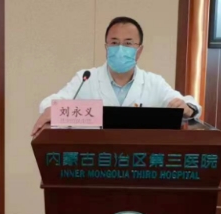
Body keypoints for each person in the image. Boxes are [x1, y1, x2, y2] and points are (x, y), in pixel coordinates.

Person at [31, 16, 201, 136]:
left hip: (138, 165)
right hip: (92, 163)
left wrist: (187, 108)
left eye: (128, 43)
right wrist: (54, 110)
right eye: (114, 42)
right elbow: (50, 103)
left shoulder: (153, 82)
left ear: (139, 50)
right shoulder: (86, 78)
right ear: (106, 48)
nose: (120, 48)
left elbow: (189, 105)